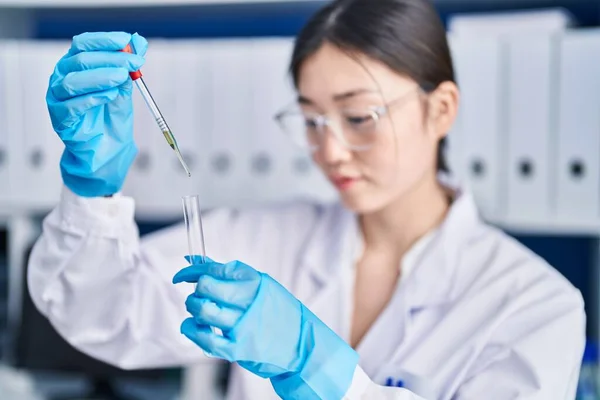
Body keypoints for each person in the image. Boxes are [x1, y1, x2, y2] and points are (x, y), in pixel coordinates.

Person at [28, 0, 585, 399]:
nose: (330, 150)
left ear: (440, 110)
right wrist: (92, 186)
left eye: (359, 116)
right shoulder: (267, 238)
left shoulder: (535, 306)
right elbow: (103, 313)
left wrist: (319, 370)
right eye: (311, 119)